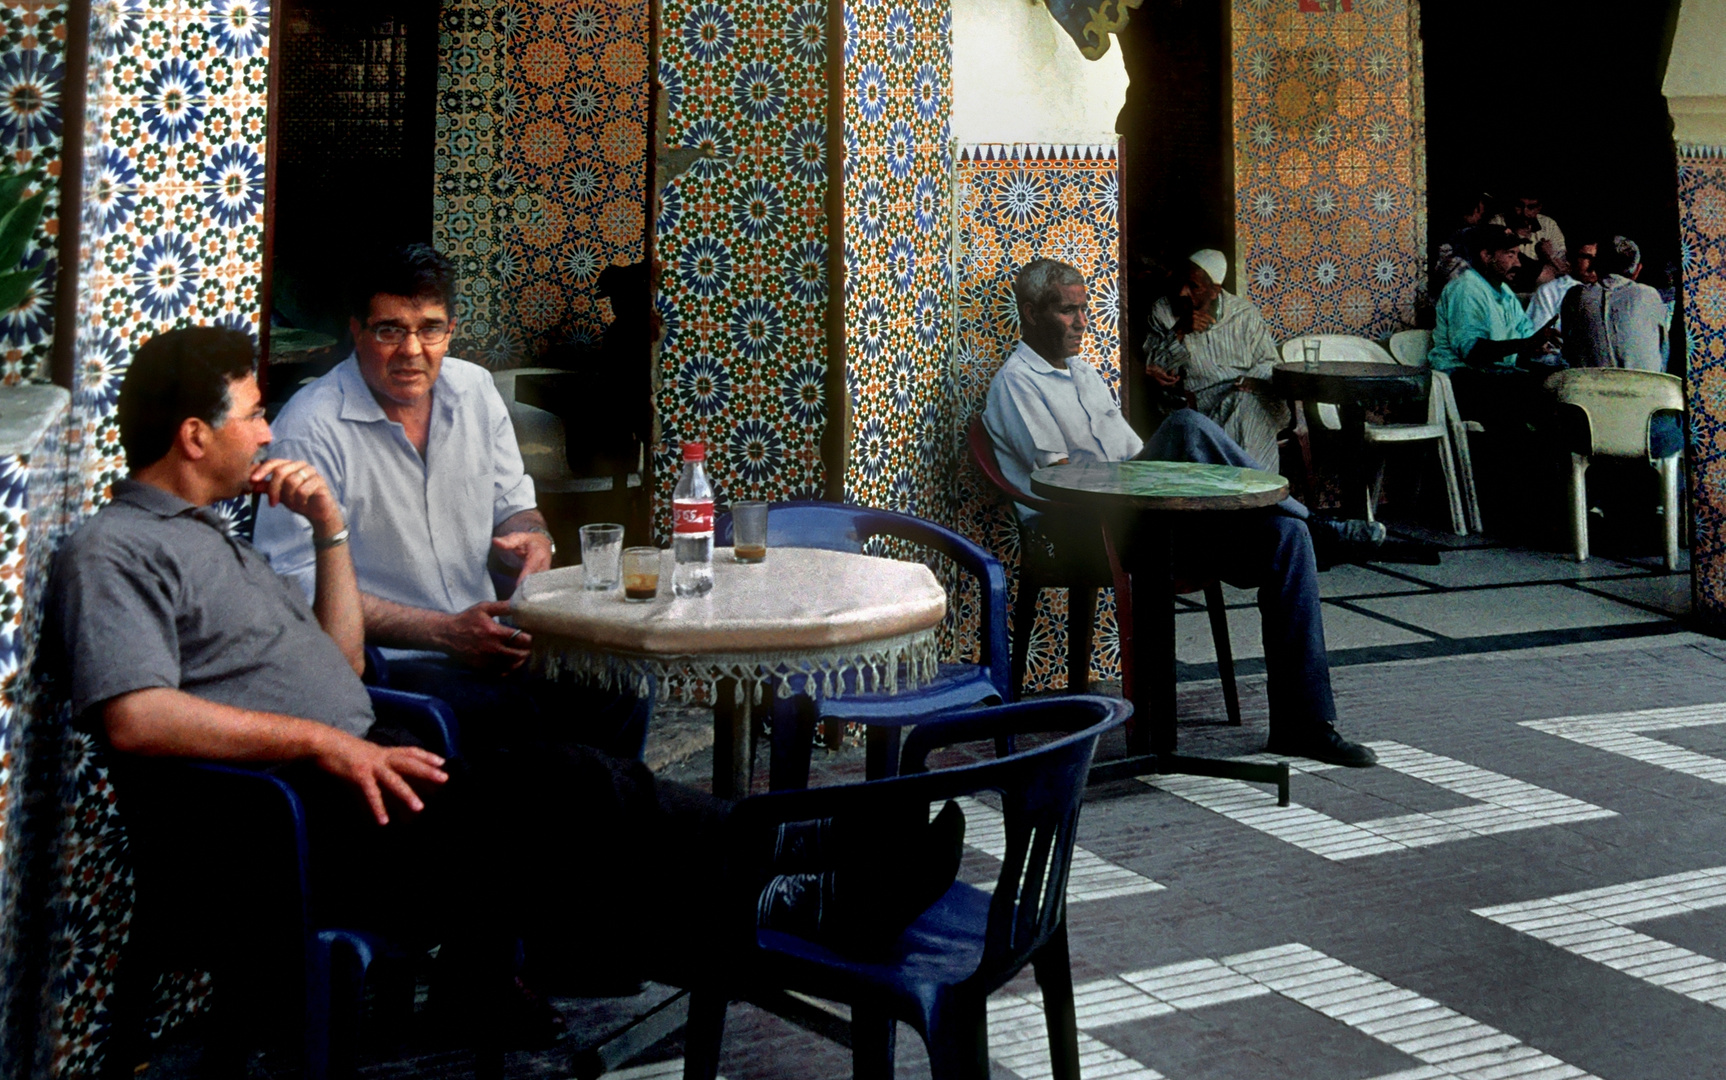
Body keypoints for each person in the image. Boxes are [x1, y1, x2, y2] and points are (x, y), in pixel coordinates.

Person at [45, 327, 965, 1042]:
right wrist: (322, 742)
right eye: (252, 413)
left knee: (581, 811)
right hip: (295, 827)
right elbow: (134, 717)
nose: (269, 430)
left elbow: (340, 664)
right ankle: (808, 872)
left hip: (367, 785)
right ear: (195, 434)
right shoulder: (114, 549)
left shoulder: (215, 534)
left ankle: (807, 886)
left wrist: (330, 528)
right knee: (570, 786)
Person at [985, 258, 1390, 768]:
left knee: (1286, 539)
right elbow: (1066, 480)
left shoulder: (1085, 375)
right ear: (1029, 312)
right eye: (1068, 312)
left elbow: (1133, 457)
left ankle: (1303, 724)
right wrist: (1161, 466)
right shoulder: (1016, 382)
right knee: (1185, 425)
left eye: (1084, 310)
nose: (1083, 322)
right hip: (1082, 531)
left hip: (1143, 523)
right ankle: (1319, 522)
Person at [252, 245, 635, 757]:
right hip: (391, 663)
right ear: (357, 331)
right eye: (390, 330)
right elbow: (295, 587)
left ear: (450, 329)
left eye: (429, 329)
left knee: (621, 692)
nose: (412, 350)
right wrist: (444, 633)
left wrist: (534, 537)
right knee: (525, 726)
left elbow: (515, 505)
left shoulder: (474, 390)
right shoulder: (309, 427)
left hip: (489, 641)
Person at [1141, 249, 1288, 471]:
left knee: (1246, 406)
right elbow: (1156, 367)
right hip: (1201, 405)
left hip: (1246, 395)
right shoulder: (1163, 311)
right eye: (1181, 283)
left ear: (1214, 291)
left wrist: (1249, 380)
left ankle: (1239, 493)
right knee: (1249, 419)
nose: (1182, 292)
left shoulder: (1243, 314)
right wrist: (1179, 332)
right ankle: (1259, 493)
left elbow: (1268, 362)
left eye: (1193, 286)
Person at [1561, 235, 1669, 374]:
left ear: (1596, 266)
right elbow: (1663, 351)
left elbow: (1568, 352)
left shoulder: (1576, 296)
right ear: (1637, 271)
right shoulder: (1649, 295)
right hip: (1645, 390)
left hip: (1589, 390)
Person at [1524, 239, 1599, 346]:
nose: (1593, 264)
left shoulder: (1609, 290)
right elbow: (1538, 339)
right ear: (1572, 259)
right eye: (1586, 257)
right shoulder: (1550, 291)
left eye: (1597, 258)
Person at [1490, 188, 1568, 289]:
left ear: (1539, 208)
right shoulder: (1497, 223)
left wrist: (1549, 257)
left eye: (1531, 207)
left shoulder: (1548, 225)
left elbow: (1563, 269)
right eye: (1520, 206)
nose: (1524, 212)